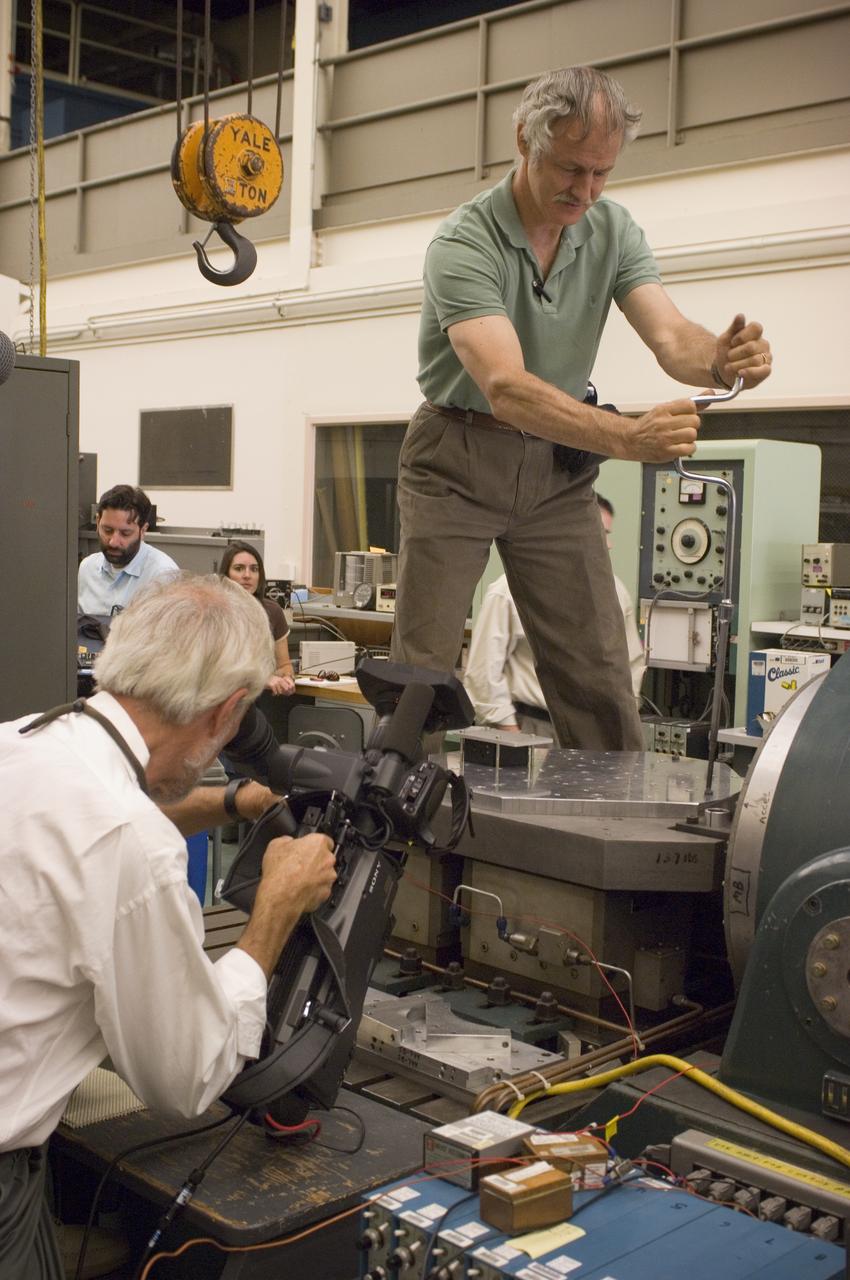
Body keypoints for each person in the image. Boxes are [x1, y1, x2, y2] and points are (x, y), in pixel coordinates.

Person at [390, 64, 772, 752]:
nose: (586, 190)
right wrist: (628, 438)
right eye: (569, 168)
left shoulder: (612, 228)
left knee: (599, 673)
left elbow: (670, 337)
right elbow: (505, 386)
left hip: (554, 473)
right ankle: (396, 833)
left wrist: (722, 356)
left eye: (601, 173)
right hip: (457, 455)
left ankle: (610, 839)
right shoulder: (463, 243)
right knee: (421, 672)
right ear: (524, 140)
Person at [0, 574, 336, 1278]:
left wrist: (228, 802)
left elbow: (89, 830)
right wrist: (277, 904)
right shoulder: (131, 843)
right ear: (225, 713)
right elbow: (187, 1076)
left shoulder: (23, 742)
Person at [465, 495, 643, 736]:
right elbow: (483, 673)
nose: (608, 544)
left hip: (594, 731)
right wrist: (511, 734)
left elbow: (630, 664)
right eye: (601, 532)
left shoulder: (615, 594)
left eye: (608, 534)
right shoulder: (509, 591)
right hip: (530, 726)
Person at [77, 483, 178, 616]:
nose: (113, 542)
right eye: (107, 530)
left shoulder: (163, 575)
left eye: (125, 533)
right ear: (97, 522)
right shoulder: (87, 568)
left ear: (143, 530)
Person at [219, 540, 296, 695]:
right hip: (222, 699)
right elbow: (218, 670)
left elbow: (284, 665)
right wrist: (262, 680)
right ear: (226, 574)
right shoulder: (214, 611)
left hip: (261, 702)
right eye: (239, 569)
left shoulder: (272, 611)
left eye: (254, 569)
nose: (247, 575)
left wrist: (287, 678)